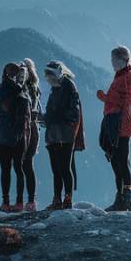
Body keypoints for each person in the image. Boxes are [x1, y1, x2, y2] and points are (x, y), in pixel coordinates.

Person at [97, 45, 131, 212]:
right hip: (116, 123)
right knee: (116, 160)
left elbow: (126, 101)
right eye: (112, 60)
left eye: (115, 60)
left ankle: (125, 199)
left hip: (121, 124)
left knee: (121, 160)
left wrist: (104, 97)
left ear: (124, 60)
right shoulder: (122, 76)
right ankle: (120, 198)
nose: (112, 63)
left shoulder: (127, 77)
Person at [43, 60, 83, 210]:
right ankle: (57, 200)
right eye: (47, 77)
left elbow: (73, 113)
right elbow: (51, 110)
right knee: (56, 169)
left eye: (50, 76)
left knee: (65, 168)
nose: (49, 80)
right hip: (53, 134)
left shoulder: (69, 88)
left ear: (58, 73)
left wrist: (52, 117)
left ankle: (67, 199)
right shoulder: (56, 89)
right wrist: (45, 118)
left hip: (65, 134)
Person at [0, 62, 31, 212]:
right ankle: (17, 202)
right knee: (16, 168)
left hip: (3, 135)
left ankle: (7, 202)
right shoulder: (22, 93)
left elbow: (2, 108)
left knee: (7, 169)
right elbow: (12, 111)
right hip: (17, 135)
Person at [21, 58, 42, 212]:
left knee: (25, 164)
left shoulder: (26, 89)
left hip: (27, 129)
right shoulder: (34, 88)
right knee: (26, 164)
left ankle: (27, 201)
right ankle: (29, 201)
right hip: (31, 129)